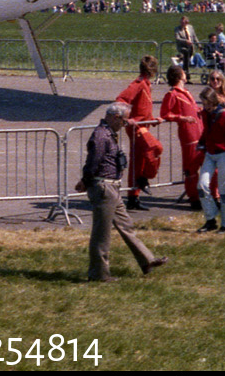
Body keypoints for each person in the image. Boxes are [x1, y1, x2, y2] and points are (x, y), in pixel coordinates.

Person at [75, 102, 166, 282]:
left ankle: (147, 260)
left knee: (126, 225)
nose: (125, 124)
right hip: (103, 188)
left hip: (112, 188)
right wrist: (85, 181)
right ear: (115, 118)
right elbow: (93, 163)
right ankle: (99, 275)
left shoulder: (110, 133)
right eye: (124, 121)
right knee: (102, 234)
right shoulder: (101, 136)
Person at [115, 56, 162, 210]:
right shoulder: (139, 84)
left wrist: (152, 119)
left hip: (144, 126)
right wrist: (126, 118)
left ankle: (133, 197)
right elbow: (121, 98)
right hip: (137, 128)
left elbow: (143, 108)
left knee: (138, 161)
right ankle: (143, 178)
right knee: (155, 148)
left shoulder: (146, 84)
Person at [159, 65, 204, 209]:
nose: (186, 74)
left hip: (200, 132)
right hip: (189, 135)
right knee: (191, 168)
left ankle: (211, 195)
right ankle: (194, 198)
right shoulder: (172, 94)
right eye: (184, 72)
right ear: (179, 76)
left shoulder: (186, 92)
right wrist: (182, 118)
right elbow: (165, 114)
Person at [196, 87, 225, 233]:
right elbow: (206, 131)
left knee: (223, 190)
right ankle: (211, 218)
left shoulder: (223, 116)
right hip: (210, 153)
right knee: (201, 185)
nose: (204, 106)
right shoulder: (205, 114)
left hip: (223, 155)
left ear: (212, 101)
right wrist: (202, 143)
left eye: (206, 102)